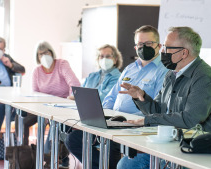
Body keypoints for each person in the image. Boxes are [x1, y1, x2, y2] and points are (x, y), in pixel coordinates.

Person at [118, 26, 211, 169]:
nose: (162, 51)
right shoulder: (171, 74)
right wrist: (142, 97)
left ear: (183, 53)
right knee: (126, 164)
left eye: (167, 47)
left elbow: (190, 119)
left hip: (204, 148)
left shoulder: (205, 77)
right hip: (175, 142)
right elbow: (159, 110)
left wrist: (147, 120)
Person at [65, 25, 168, 169]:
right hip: (115, 121)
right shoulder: (130, 68)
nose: (144, 47)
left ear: (159, 45)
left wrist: (129, 120)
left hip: (136, 126)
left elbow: (158, 108)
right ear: (135, 47)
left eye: (148, 44)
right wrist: (105, 115)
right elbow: (111, 97)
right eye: (140, 44)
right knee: (74, 139)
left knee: (109, 146)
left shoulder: (164, 71)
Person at [19, 41, 80, 168]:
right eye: (40, 54)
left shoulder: (61, 64)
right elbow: (34, 93)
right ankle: (23, 154)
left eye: (46, 52)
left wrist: (70, 99)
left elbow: (74, 83)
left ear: (52, 52)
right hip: (43, 107)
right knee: (21, 119)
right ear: (37, 57)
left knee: (55, 127)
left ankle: (56, 160)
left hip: (62, 106)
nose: (44, 56)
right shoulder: (37, 71)